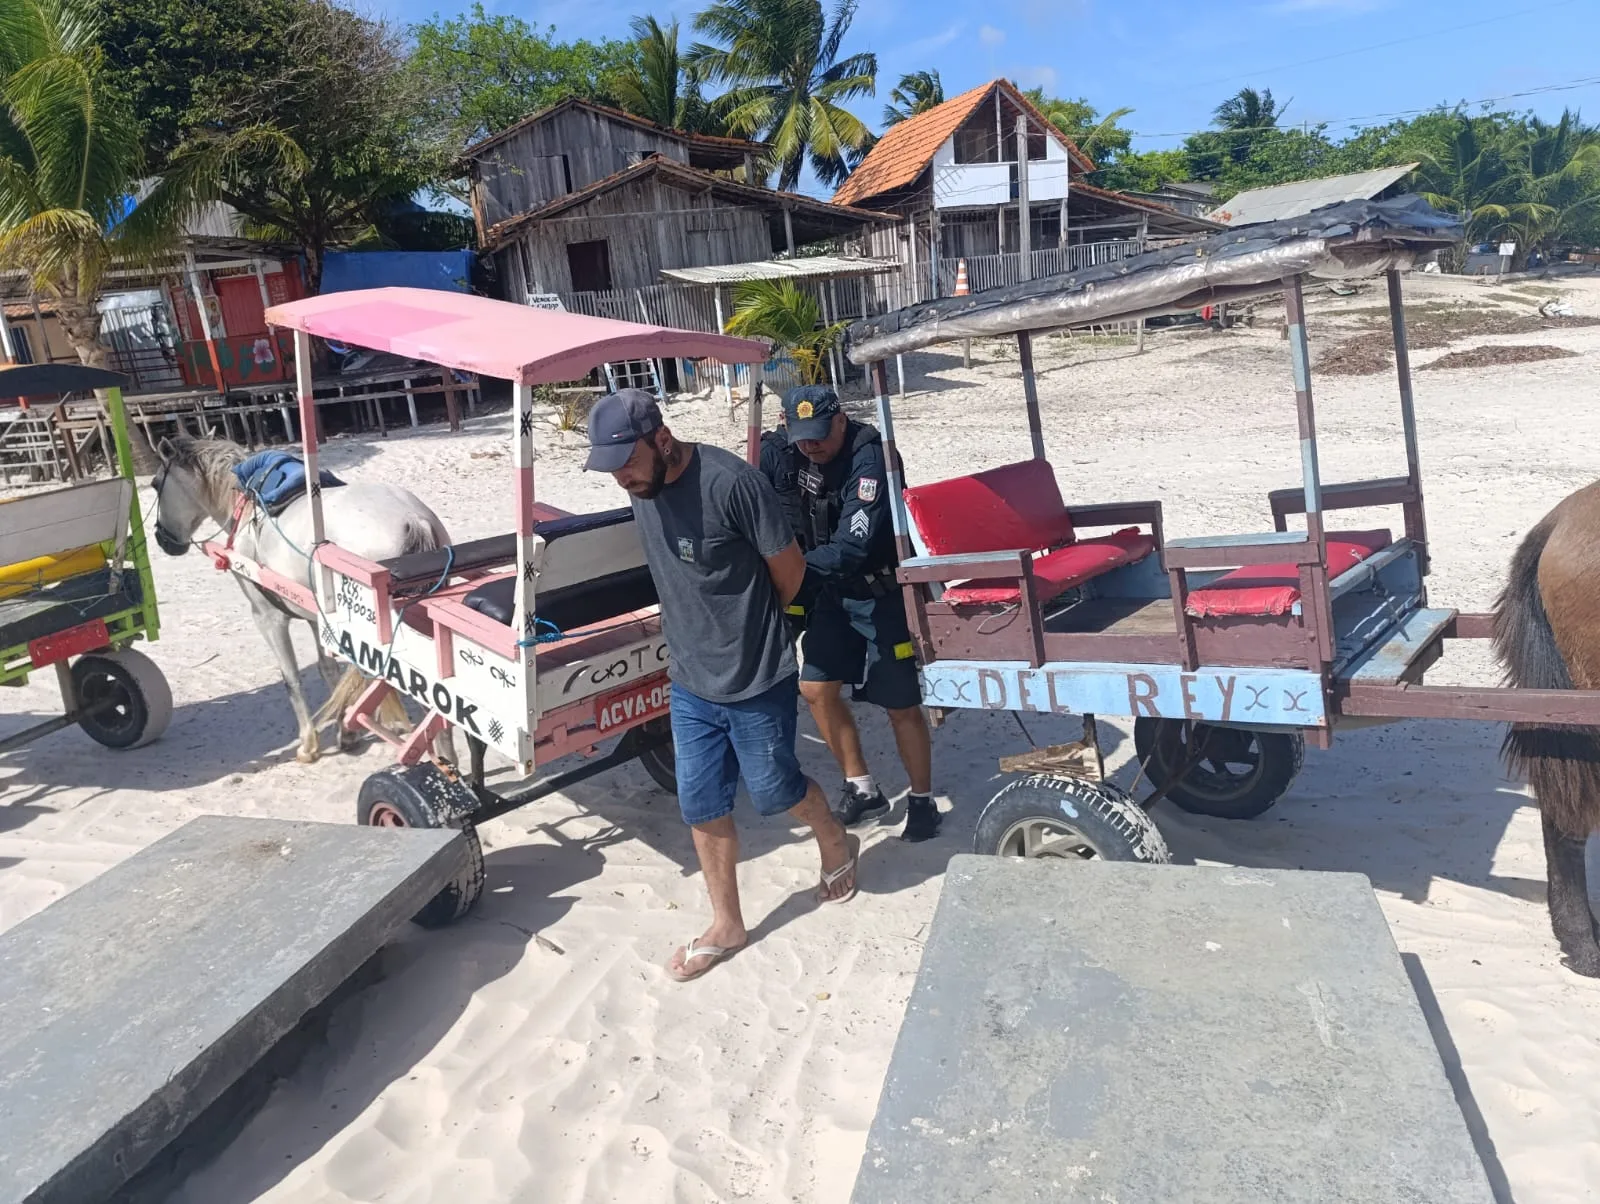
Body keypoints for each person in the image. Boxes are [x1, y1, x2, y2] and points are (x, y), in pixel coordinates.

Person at [583, 388, 860, 983]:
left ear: (662, 438)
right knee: (701, 802)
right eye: (610, 470)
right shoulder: (642, 488)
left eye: (628, 463)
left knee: (777, 792)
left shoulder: (733, 483)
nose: (622, 480)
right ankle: (727, 922)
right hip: (689, 680)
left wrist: (752, 632)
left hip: (757, 673)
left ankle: (835, 839)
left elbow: (789, 572)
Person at [759, 386, 939, 842]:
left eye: (819, 434)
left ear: (841, 420)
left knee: (900, 705)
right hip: (830, 594)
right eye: (800, 436)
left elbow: (853, 546)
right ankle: (862, 787)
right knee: (816, 687)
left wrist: (786, 572)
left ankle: (922, 800)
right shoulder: (787, 450)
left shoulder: (870, 459)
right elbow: (753, 476)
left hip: (880, 593)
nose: (810, 446)